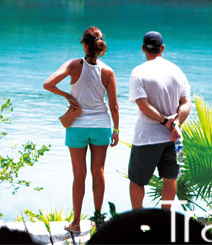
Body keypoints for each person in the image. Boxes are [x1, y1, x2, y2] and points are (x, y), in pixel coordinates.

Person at [43, 26, 120, 233]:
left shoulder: (73, 65)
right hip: (101, 126)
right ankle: (98, 222)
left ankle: (76, 223)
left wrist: (68, 96)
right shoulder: (108, 71)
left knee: (79, 174)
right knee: (99, 172)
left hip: (76, 126)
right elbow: (113, 106)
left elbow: (48, 84)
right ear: (99, 46)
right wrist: (117, 130)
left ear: (85, 45)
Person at [128, 31, 191, 210]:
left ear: (143, 48)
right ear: (162, 48)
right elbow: (186, 103)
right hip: (174, 137)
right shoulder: (177, 71)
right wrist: (176, 124)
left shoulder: (138, 72)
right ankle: (165, 221)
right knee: (170, 178)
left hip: (146, 137)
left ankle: (137, 220)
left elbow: (143, 105)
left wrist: (165, 121)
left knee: (137, 181)